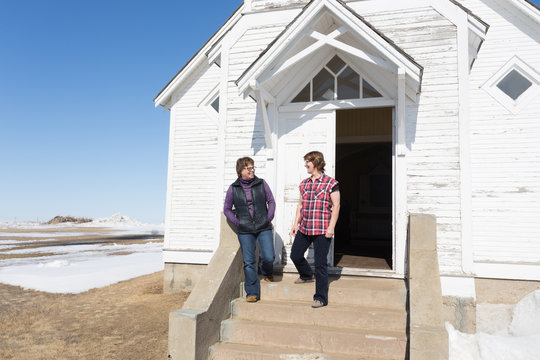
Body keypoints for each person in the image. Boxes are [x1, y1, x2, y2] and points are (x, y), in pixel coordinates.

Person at [290, 151, 340, 308]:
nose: (305, 165)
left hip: (322, 229)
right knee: (295, 255)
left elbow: (336, 206)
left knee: (320, 264)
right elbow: (300, 205)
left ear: (316, 162)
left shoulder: (331, 183)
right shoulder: (304, 183)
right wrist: (295, 223)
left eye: (308, 162)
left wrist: (331, 227)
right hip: (305, 227)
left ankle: (320, 297)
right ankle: (306, 275)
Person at [224, 157, 276, 303]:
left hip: (263, 226)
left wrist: (268, 217)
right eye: (249, 168)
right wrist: (238, 222)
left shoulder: (261, 183)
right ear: (241, 171)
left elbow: (271, 201)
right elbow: (227, 209)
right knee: (248, 262)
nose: (252, 170)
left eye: (253, 167)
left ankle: (266, 271)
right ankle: (252, 292)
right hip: (245, 230)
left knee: (269, 257)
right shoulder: (233, 188)